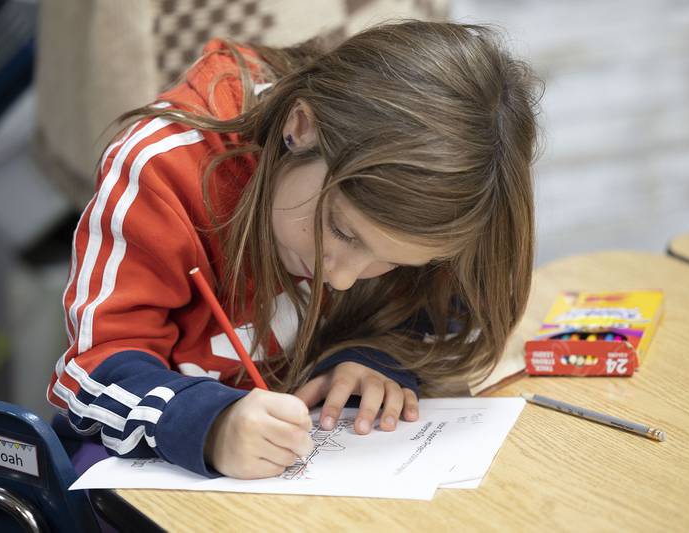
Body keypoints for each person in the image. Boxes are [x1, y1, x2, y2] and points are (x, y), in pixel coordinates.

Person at [47, 20, 542, 480]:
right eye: (343, 232)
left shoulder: (447, 198)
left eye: (391, 262)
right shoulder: (163, 171)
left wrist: (374, 358)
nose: (344, 277)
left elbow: (441, 308)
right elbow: (90, 374)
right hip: (146, 459)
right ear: (301, 128)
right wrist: (210, 424)